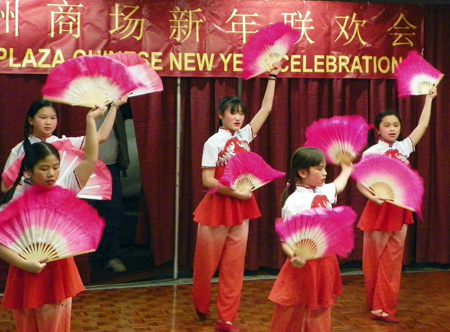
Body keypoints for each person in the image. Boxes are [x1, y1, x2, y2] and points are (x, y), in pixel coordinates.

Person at [0, 104, 106, 332]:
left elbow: (90, 159)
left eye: (56, 168)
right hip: (25, 269)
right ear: (28, 170)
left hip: (57, 271)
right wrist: (23, 263)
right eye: (44, 168)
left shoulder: (65, 187)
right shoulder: (16, 198)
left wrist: (90, 119)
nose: (51, 174)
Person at [192, 63, 281, 332]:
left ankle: (227, 318)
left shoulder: (245, 137)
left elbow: (266, 109)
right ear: (221, 115)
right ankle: (200, 302)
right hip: (219, 204)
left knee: (233, 266)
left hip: (242, 207)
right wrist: (235, 192)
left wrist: (273, 76)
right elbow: (207, 181)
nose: (238, 117)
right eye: (233, 113)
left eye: (241, 113)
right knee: (206, 263)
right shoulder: (213, 142)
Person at [356, 86, 437, 323]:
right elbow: (361, 183)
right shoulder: (372, 152)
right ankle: (374, 302)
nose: (393, 129)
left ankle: (384, 306)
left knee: (392, 261)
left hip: (400, 210)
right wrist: (372, 197)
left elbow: (422, 127)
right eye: (387, 125)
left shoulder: (403, 148)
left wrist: (429, 100)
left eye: (396, 125)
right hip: (378, 209)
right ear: (378, 129)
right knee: (374, 260)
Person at [268, 147, 353, 332]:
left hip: (325, 262)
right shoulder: (294, 202)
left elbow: (338, 185)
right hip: (302, 265)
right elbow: (286, 240)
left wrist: (347, 169)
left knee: (321, 312)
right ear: (302, 172)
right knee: (290, 311)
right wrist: (295, 256)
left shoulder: (324, 191)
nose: (324, 173)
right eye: (319, 169)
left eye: (325, 169)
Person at [1, 97, 127, 193]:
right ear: (31, 120)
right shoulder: (20, 150)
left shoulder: (64, 144)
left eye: (53, 118)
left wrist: (114, 107)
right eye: (43, 117)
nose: (48, 122)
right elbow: (5, 186)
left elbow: (101, 137)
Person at [88, 100, 132, 273]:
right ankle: (84, 260)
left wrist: (117, 103)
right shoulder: (81, 102)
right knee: (85, 214)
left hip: (110, 166)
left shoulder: (115, 104)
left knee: (113, 212)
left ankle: (111, 256)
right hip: (85, 167)